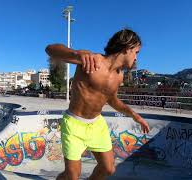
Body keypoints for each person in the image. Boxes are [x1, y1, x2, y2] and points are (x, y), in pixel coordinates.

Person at [45, 28, 150, 180]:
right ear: (128, 47)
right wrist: (76, 54)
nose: (136, 58)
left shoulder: (119, 76)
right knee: (72, 175)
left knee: (108, 169)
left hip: (97, 126)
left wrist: (135, 115)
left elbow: (112, 99)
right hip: (74, 124)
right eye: (136, 52)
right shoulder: (91, 59)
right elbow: (50, 49)